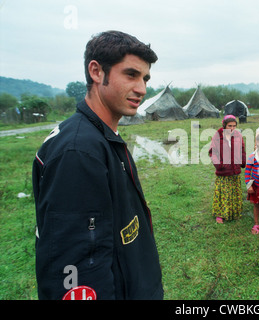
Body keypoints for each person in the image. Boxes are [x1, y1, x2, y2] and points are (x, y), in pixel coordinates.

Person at [32, 31, 163, 300]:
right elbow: (75, 271)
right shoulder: (79, 151)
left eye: (145, 78)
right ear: (96, 71)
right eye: (130, 74)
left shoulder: (100, 136)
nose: (142, 88)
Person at [209, 115, 246, 223]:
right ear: (224, 125)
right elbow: (213, 152)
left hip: (235, 169)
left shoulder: (238, 135)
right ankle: (220, 214)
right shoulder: (217, 136)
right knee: (223, 193)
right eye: (229, 126)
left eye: (234, 126)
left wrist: (242, 162)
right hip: (223, 170)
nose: (232, 128)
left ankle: (234, 212)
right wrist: (219, 165)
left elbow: (242, 150)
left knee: (234, 192)